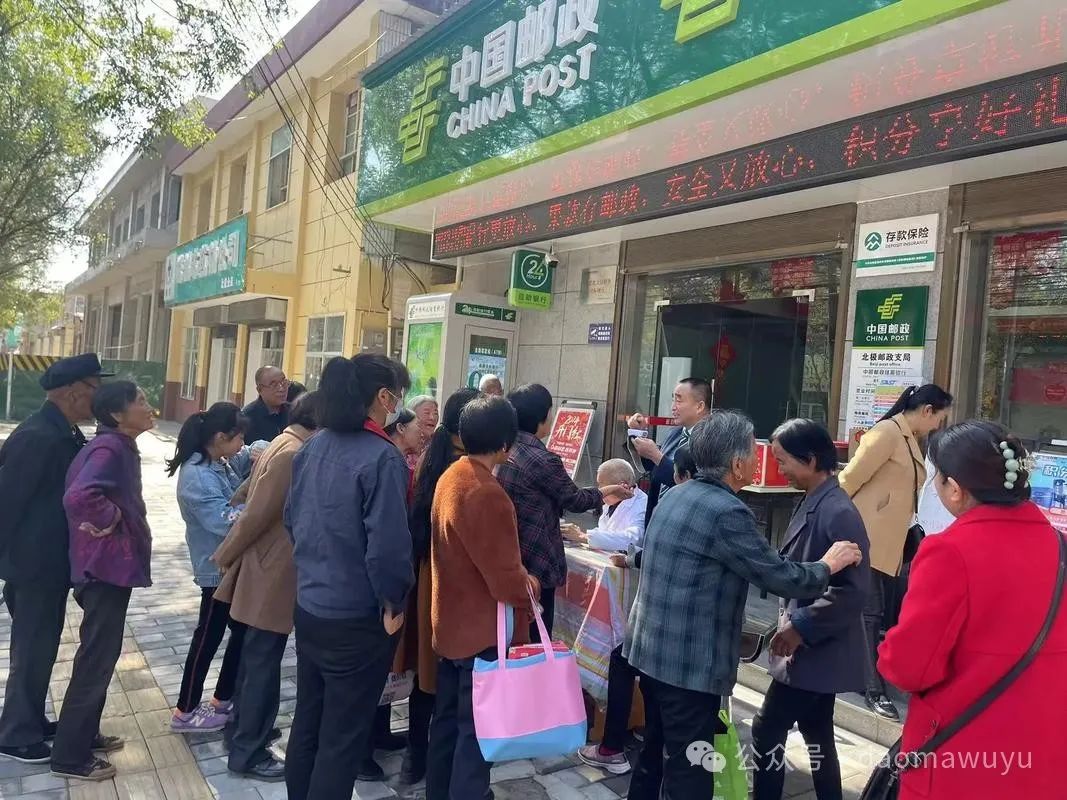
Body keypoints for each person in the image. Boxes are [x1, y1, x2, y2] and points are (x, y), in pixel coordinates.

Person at [624, 410, 863, 800]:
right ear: (737, 464)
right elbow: (779, 575)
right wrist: (828, 565)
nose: (763, 462)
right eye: (755, 452)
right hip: (687, 666)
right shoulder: (727, 511)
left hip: (651, 652)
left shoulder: (676, 493)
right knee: (690, 770)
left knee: (654, 754)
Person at [879, 420, 1067, 799]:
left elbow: (909, 667)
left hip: (964, 756)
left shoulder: (949, 551)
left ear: (955, 489)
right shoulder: (1060, 546)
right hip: (1047, 751)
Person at [284, 354, 415, 800]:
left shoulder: (313, 446)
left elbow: (292, 521)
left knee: (309, 721)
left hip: (311, 606)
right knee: (341, 738)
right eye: (399, 394)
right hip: (358, 618)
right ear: (384, 397)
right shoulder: (382, 457)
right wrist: (394, 603)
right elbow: (389, 550)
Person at [425, 395, 539, 800]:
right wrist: (531, 585)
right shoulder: (487, 492)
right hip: (481, 631)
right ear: (505, 443)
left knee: (447, 724)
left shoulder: (452, 474)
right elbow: (506, 579)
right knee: (476, 733)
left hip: (451, 622)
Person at [0, 353, 112, 764]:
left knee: (42, 647)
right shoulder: (38, 437)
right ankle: (15, 735)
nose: (99, 398)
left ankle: (28, 719)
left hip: (49, 562)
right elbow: (7, 503)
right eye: (95, 389)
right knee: (32, 649)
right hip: (33, 566)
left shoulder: (62, 431)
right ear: (72, 392)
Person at [751, 419, 870, 800]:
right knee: (817, 732)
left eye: (784, 460)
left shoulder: (838, 511)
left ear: (812, 459)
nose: (779, 468)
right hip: (815, 648)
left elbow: (853, 592)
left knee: (767, 729)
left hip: (816, 649)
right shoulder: (815, 500)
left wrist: (800, 626)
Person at [212, 391, 320, 781]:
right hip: (271, 570)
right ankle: (249, 751)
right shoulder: (294, 452)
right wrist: (226, 554)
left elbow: (245, 493)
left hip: (264, 566)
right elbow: (256, 513)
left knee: (253, 657)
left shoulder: (283, 442)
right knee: (262, 663)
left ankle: (242, 733)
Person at [50, 382, 155, 782]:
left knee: (101, 654)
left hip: (107, 567)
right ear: (117, 415)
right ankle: (69, 756)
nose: (149, 407)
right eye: (141, 402)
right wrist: (112, 519)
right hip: (104, 568)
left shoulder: (115, 445)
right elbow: (79, 497)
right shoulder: (110, 449)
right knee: (96, 658)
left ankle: (84, 735)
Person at [838, 383, 952, 720]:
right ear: (927, 411)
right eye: (939, 418)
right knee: (871, 612)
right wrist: (837, 527)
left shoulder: (907, 436)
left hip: (888, 541)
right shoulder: (887, 433)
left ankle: (859, 674)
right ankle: (872, 687)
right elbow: (848, 481)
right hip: (866, 538)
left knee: (872, 611)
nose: (938, 425)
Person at [497, 383, 631, 638]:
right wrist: (607, 491)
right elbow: (575, 500)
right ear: (543, 417)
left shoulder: (505, 449)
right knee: (536, 634)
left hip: (511, 552)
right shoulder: (542, 459)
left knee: (514, 630)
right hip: (536, 558)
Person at [399, 387, 480, 785]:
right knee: (438, 677)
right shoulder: (463, 470)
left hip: (424, 572)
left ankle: (416, 756)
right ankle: (430, 761)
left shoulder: (433, 456)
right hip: (445, 580)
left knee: (425, 676)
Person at [166, 402, 256, 733]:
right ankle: (185, 711)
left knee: (239, 632)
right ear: (220, 437)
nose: (242, 445)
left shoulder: (217, 461)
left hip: (228, 566)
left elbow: (245, 458)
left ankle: (222, 699)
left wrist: (261, 450)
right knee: (207, 637)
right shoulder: (198, 476)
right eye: (239, 438)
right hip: (214, 570)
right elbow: (223, 520)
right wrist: (258, 509)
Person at [627, 377, 713, 522]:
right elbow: (655, 468)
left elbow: (692, 485)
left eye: (679, 401)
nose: (673, 407)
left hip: (686, 520)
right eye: (673, 400)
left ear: (699, 406)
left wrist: (656, 456)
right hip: (659, 515)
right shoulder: (676, 432)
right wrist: (638, 434)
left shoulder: (713, 439)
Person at [562, 459, 647, 552]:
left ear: (622, 486)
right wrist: (576, 534)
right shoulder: (611, 503)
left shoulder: (641, 504)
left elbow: (634, 539)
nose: (599, 489)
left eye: (601, 485)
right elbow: (605, 531)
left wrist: (583, 536)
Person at [242, 366, 290, 444]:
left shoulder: (294, 412)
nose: (281, 389)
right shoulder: (246, 417)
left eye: (284, 382)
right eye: (274, 385)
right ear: (259, 389)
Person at [405, 395, 439, 470]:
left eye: (435, 413)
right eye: (427, 413)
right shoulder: (403, 443)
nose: (432, 418)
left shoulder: (439, 444)